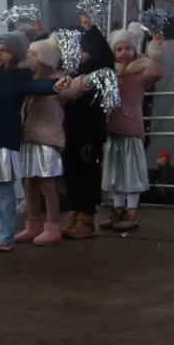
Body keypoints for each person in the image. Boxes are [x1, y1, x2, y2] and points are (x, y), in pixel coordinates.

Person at [0, 31, 69, 252]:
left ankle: (4, 237)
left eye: (5, 50)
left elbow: (35, 87)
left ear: (17, 55)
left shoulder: (20, 76)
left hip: (3, 139)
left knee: (4, 190)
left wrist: (54, 86)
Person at [13, 37, 90, 246]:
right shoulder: (26, 79)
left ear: (46, 59)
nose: (29, 57)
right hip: (28, 140)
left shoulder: (58, 78)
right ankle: (33, 225)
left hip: (47, 140)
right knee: (30, 185)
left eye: (34, 54)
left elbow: (73, 89)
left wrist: (88, 79)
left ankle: (52, 226)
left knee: (47, 186)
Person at [100, 22, 164, 231]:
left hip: (130, 128)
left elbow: (155, 72)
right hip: (112, 130)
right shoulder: (110, 73)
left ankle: (132, 212)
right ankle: (118, 212)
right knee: (115, 172)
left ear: (135, 49)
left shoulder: (139, 73)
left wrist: (155, 48)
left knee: (132, 172)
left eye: (128, 48)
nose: (123, 52)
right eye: (119, 49)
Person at [61, 24, 116, 239]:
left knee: (86, 175)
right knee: (72, 174)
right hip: (72, 131)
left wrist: (90, 27)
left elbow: (104, 56)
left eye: (82, 51)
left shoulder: (101, 72)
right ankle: (75, 215)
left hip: (89, 133)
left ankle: (86, 218)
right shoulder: (72, 72)